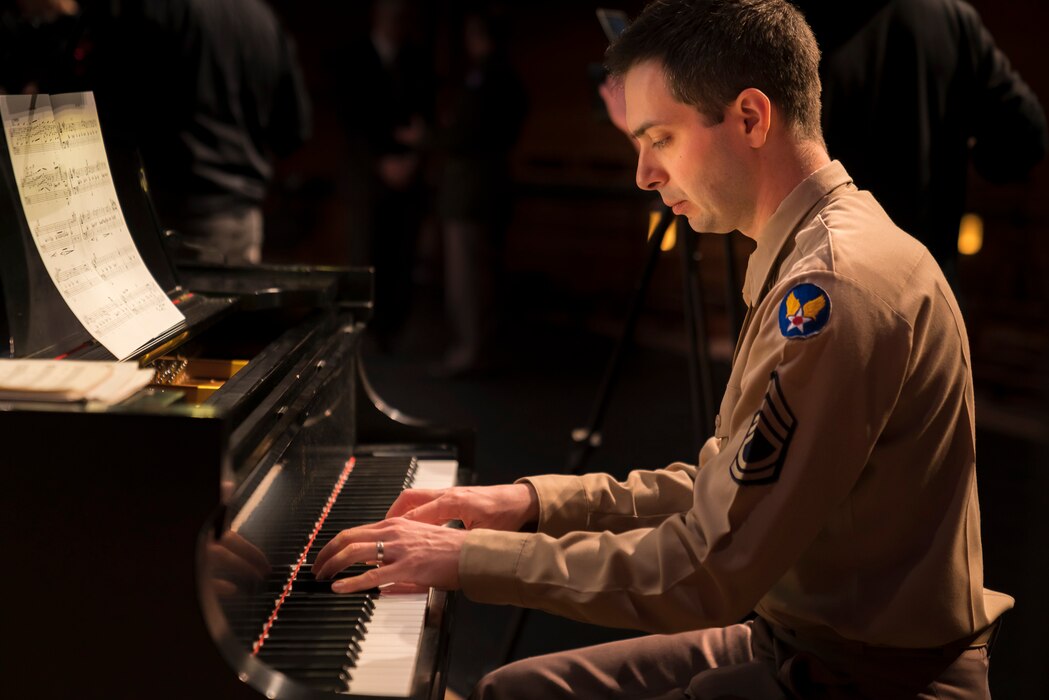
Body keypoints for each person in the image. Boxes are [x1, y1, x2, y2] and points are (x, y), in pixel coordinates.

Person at [312, 1, 1010, 697]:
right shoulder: (812, 247)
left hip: (873, 676)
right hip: (797, 636)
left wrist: (468, 557)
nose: (643, 173)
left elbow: (704, 572)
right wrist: (529, 503)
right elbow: (725, 489)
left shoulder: (830, 289)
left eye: (659, 138)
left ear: (749, 118)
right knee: (512, 688)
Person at [1, 0, 312, 266]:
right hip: (246, 221)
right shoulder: (264, 18)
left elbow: (106, 105)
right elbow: (294, 132)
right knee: (226, 334)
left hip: (169, 220)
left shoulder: (155, 7)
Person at [332, 0, 435, 352]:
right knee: (365, 256)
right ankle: (360, 332)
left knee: (402, 257)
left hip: (408, 177)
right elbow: (349, 119)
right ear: (377, 14)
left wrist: (412, 160)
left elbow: (426, 116)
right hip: (366, 178)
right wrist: (380, 163)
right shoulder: (354, 57)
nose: (398, 21)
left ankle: (393, 330)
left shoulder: (417, 59)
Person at [434, 5, 528, 377]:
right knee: (482, 273)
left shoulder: (486, 77)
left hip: (470, 192)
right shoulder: (509, 77)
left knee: (467, 276)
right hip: (493, 187)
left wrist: (432, 136)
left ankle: (469, 352)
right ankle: (478, 349)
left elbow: (466, 133)